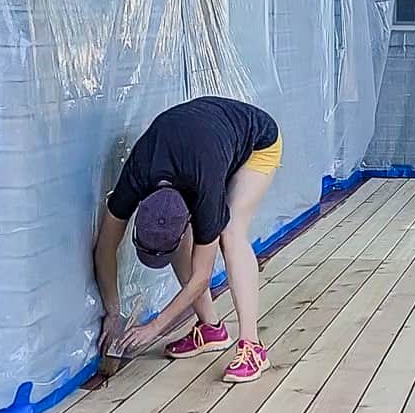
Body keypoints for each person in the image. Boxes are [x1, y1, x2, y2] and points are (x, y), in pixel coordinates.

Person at [94, 96, 281, 383]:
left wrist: (155, 327)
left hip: (257, 142)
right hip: (201, 139)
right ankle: (211, 329)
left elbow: (201, 276)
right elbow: (105, 247)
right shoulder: (135, 177)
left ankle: (252, 347)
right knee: (181, 243)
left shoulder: (204, 190)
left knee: (230, 234)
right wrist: (113, 311)